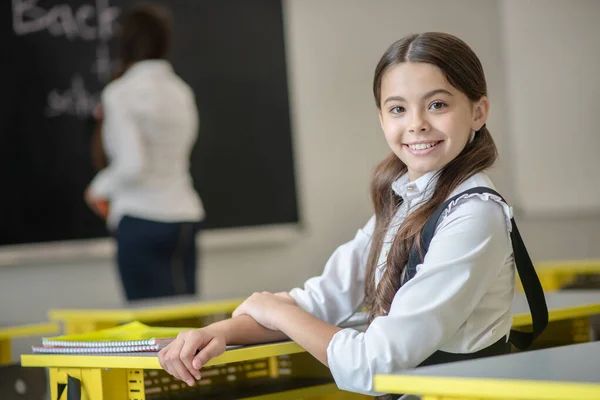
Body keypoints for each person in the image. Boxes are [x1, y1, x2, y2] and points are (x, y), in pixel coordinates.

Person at [158, 32, 546, 396]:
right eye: (398, 109)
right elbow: (320, 300)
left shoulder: (474, 214)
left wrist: (276, 312)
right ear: (381, 119)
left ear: (478, 112)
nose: (416, 124)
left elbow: (373, 366)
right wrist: (219, 332)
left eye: (438, 104)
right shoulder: (403, 204)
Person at [85, 3, 204, 301]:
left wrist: (97, 188)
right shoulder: (181, 91)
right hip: (185, 217)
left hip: (141, 219)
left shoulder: (120, 92)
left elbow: (132, 163)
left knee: (149, 332)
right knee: (188, 326)